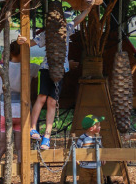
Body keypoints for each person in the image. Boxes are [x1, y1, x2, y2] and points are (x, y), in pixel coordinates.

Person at [18, 8, 86, 150]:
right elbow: (30, 42)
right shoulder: (46, 34)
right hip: (45, 68)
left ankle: (47, 137)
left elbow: (77, 19)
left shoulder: (67, 29)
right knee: (42, 97)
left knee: (52, 102)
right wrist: (22, 40)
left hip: (60, 71)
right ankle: (32, 128)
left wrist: (88, 8)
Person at [0, 39, 39, 161]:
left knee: (1, 147)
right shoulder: (32, 67)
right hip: (22, 113)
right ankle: (22, 176)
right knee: (21, 148)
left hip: (4, 111)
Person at [75, 114, 106, 184]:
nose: (100, 127)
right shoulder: (83, 138)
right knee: (85, 182)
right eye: (98, 125)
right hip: (85, 165)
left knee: (96, 181)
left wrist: (103, 157)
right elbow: (77, 149)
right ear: (91, 128)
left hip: (96, 165)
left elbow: (100, 148)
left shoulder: (98, 138)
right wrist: (77, 158)